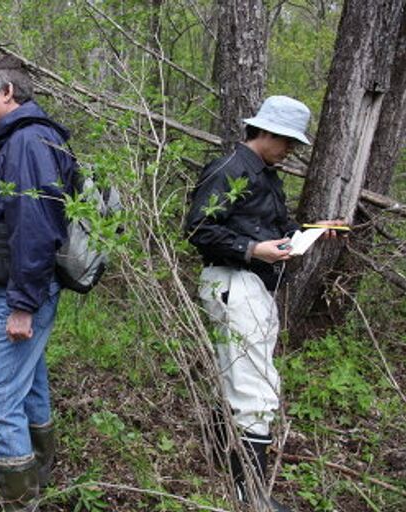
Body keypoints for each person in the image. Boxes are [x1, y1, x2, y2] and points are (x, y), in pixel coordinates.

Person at [185, 95, 343, 512]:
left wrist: (307, 233)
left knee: (243, 381)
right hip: (235, 281)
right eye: (288, 142)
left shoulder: (265, 174)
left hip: (253, 285)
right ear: (267, 132)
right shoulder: (227, 169)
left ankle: (229, 472)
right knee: (254, 389)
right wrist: (254, 249)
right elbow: (198, 228)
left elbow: (272, 226)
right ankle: (250, 495)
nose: (291, 150)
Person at [0, 55, 78, 511]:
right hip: (15, 286)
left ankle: (21, 496)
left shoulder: (29, 142)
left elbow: (36, 226)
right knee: (28, 382)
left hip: (19, 290)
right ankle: (38, 463)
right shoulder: (28, 139)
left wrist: (22, 304)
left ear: (7, 93)